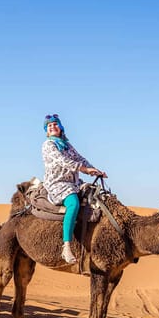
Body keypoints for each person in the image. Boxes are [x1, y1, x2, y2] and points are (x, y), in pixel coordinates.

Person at [41, 113, 107, 264]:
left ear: (60, 127)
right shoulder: (48, 145)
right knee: (74, 204)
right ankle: (66, 247)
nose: (52, 127)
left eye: (55, 124)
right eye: (49, 126)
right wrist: (85, 170)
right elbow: (63, 161)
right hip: (58, 183)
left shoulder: (66, 145)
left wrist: (95, 170)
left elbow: (80, 158)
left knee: (97, 197)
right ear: (47, 131)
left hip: (74, 182)